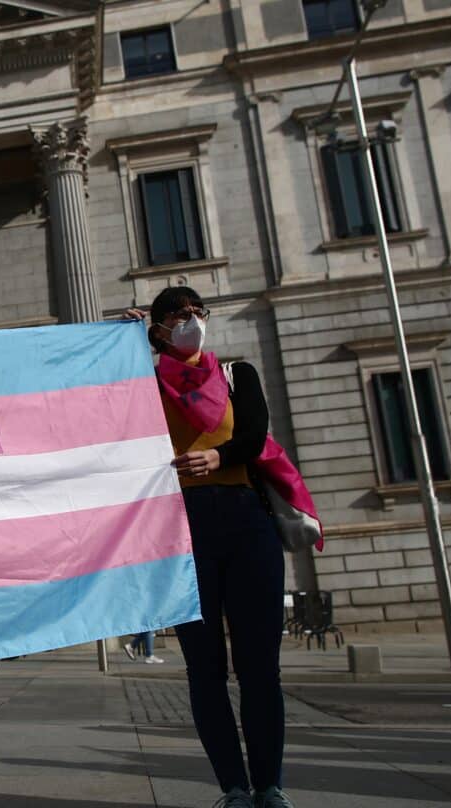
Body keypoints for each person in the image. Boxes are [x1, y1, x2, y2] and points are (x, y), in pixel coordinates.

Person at [131, 286, 294, 808]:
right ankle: (234, 789)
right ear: (159, 327)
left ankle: (270, 787)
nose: (192, 321)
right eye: (178, 315)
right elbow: (104, 412)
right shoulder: (143, 381)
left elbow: (254, 435)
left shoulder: (234, 374)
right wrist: (128, 344)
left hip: (248, 523)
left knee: (259, 667)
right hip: (183, 531)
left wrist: (218, 458)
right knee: (205, 670)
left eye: (198, 312)